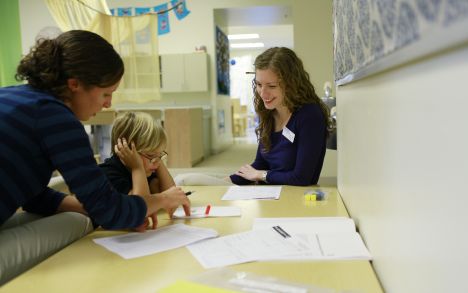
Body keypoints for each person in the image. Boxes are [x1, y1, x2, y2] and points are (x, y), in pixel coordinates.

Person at [0, 30, 190, 285]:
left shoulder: (13, 96)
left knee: (77, 213)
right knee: (76, 223)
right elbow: (111, 212)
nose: (108, 104)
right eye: (105, 94)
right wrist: (162, 199)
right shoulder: (55, 117)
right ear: (75, 84)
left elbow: (30, 193)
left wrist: (90, 205)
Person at [175, 47, 329, 186]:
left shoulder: (310, 115)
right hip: (265, 192)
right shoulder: (269, 112)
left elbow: (302, 178)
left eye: (271, 86)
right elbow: (260, 163)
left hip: (291, 197)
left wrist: (261, 175)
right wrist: (226, 183)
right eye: (259, 84)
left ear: (292, 83)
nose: (263, 94)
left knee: (186, 181)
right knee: (185, 181)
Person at [99, 111, 177, 230]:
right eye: (151, 155)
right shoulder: (108, 174)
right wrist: (137, 167)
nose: (156, 161)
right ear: (126, 150)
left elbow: (172, 199)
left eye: (160, 155)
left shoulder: (149, 167)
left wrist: (156, 158)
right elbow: (139, 209)